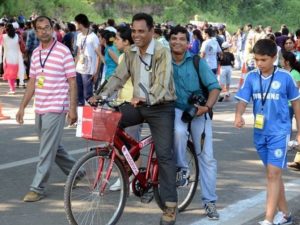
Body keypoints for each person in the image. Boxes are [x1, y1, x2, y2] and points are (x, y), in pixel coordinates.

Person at [89, 13, 178, 225]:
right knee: (113, 120)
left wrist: (145, 97)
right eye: (134, 31)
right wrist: (100, 96)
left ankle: (170, 206)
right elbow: (118, 77)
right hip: (138, 105)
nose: (137, 35)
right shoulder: (131, 53)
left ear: (151, 31)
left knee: (164, 155)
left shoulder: (162, 52)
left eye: (141, 31)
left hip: (161, 107)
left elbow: (162, 83)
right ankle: (133, 162)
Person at [234, 39, 300, 225]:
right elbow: (242, 99)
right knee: (274, 174)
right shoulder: (251, 77)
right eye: (256, 60)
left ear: (274, 58)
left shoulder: (285, 77)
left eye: (263, 59)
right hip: (259, 133)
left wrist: (299, 131)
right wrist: (238, 115)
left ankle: (268, 219)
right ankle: (285, 214)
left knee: (273, 174)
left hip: (279, 132)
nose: (259, 64)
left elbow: (296, 103)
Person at [16, 16, 78, 202]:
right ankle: (78, 172)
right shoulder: (36, 53)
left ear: (53, 29)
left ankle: (37, 188)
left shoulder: (63, 51)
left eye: (47, 27)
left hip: (56, 107)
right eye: (40, 28)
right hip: (40, 107)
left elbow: (72, 81)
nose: (44, 31)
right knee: (53, 147)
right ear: (36, 31)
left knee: (45, 149)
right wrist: (22, 107)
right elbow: (33, 82)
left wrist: (72, 109)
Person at [169, 25, 221, 220]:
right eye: (174, 38)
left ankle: (209, 202)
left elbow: (214, 87)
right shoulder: (164, 60)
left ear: (188, 42)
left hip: (199, 112)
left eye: (182, 39)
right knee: (178, 131)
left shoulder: (197, 61)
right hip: (177, 108)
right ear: (169, 40)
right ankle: (181, 169)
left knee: (206, 158)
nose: (177, 42)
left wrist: (206, 107)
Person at [74, 13, 101, 106]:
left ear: (80, 23)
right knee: (79, 95)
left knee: (88, 95)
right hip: (79, 69)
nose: (75, 25)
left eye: (76, 23)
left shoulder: (93, 37)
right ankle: (80, 117)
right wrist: (74, 67)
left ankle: (93, 113)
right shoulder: (79, 36)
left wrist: (96, 73)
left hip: (88, 70)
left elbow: (99, 56)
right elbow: (78, 52)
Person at [281, 51, 300, 171]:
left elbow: (296, 88)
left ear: (287, 62)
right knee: (284, 125)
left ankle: (286, 145)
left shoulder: (295, 73)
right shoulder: (282, 73)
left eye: (282, 59)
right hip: (283, 103)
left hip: (291, 104)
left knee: (288, 126)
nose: (280, 61)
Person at [2, 23, 25, 94]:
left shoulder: (3, 36)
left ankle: (12, 89)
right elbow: (22, 45)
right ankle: (13, 88)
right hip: (17, 57)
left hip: (8, 57)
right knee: (15, 72)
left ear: (6, 29)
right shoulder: (18, 36)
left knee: (9, 73)